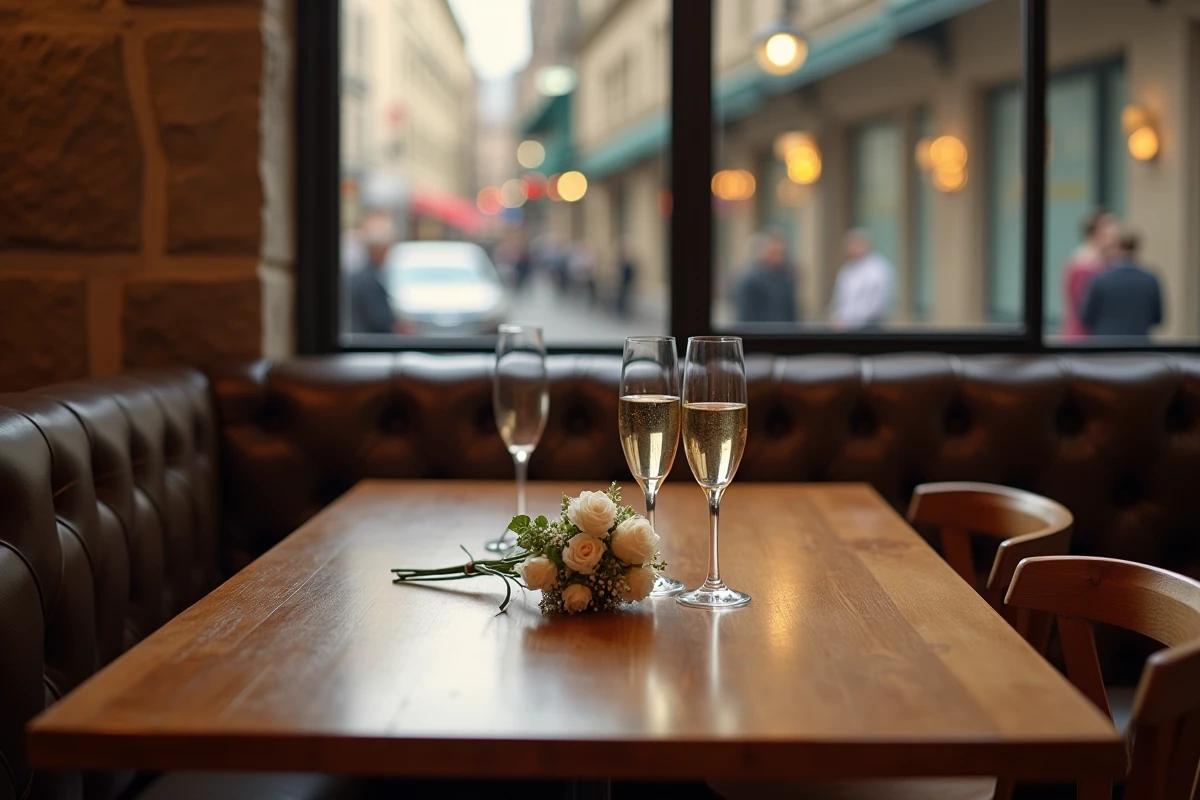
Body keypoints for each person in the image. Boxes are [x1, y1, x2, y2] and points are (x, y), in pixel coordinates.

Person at [1080, 229, 1162, 341]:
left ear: (1115, 249)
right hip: (1139, 348)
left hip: (1104, 348)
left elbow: (1086, 319)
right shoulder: (1150, 280)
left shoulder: (1099, 280)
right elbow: (1157, 318)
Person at [1062, 208, 1119, 339]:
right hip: (1084, 339)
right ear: (1096, 232)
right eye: (1110, 225)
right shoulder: (1083, 264)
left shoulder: (1107, 262)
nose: (1115, 230)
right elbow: (1082, 310)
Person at [828, 229, 894, 329]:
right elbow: (839, 299)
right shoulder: (847, 269)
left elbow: (875, 304)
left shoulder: (878, 269)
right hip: (846, 326)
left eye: (855, 245)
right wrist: (838, 317)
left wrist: (849, 319)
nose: (850, 249)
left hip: (869, 326)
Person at [347, 214, 398, 334]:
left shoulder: (362, 277)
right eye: (386, 249)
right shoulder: (368, 281)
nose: (387, 254)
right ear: (377, 250)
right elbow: (381, 321)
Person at [734, 231, 798, 323]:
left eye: (781, 252)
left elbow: (791, 312)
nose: (778, 256)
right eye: (774, 252)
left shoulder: (786, 278)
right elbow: (745, 316)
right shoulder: (750, 280)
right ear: (763, 252)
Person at [616, 245, 637, 317]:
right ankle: (621, 311)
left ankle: (624, 311)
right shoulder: (623, 262)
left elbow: (631, 273)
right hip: (623, 283)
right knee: (622, 297)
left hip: (627, 282)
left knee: (626, 297)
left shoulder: (629, 263)